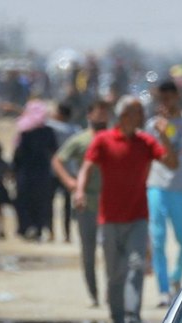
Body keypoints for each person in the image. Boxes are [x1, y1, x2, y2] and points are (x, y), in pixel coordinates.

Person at [74, 95, 178, 323]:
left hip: (137, 218)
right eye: (137, 112)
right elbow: (87, 167)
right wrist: (80, 191)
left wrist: (164, 135)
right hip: (109, 219)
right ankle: (117, 319)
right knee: (114, 273)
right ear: (123, 117)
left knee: (135, 266)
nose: (142, 117)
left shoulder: (145, 142)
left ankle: (132, 318)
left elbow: (171, 163)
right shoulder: (103, 140)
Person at [146, 80, 182, 308]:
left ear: (177, 96)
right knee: (158, 239)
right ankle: (163, 290)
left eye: (170, 96)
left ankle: (175, 275)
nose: (166, 101)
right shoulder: (152, 125)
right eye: (163, 97)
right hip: (157, 186)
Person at [53, 99, 112, 307]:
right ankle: (94, 293)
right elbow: (58, 160)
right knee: (89, 250)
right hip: (86, 200)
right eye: (98, 113)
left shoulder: (115, 138)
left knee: (111, 250)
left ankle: (111, 293)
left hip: (111, 201)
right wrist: (70, 181)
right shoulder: (80, 140)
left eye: (105, 113)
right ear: (89, 115)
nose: (102, 117)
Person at [12, 100, 59, 241]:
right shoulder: (48, 132)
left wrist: (13, 170)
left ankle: (27, 227)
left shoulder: (24, 132)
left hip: (25, 173)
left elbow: (18, 154)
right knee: (40, 202)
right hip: (42, 173)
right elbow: (54, 151)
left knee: (24, 201)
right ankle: (38, 228)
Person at [45, 103, 81, 242]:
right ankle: (67, 235)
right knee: (67, 206)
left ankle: (51, 232)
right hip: (70, 171)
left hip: (54, 171)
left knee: (50, 203)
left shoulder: (53, 126)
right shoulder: (75, 129)